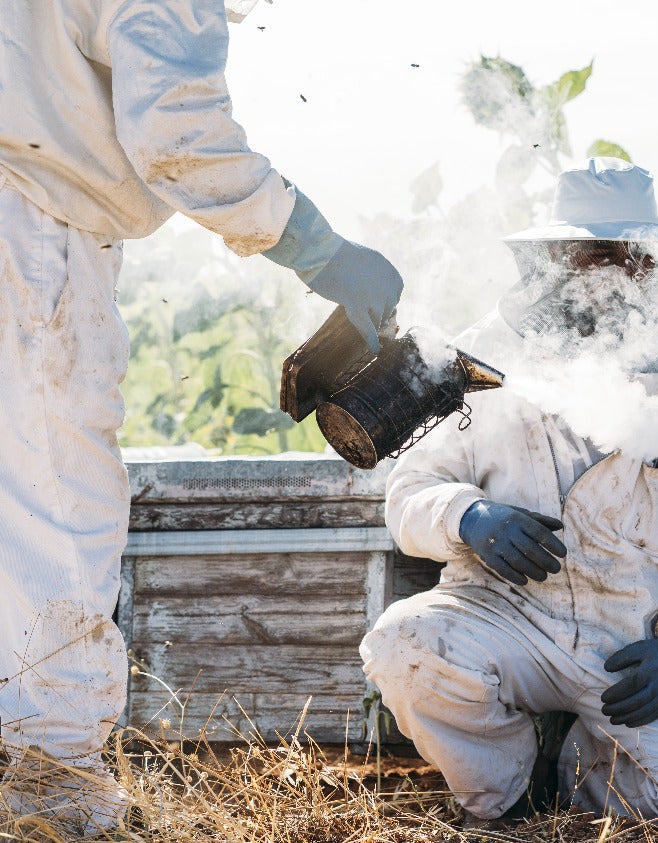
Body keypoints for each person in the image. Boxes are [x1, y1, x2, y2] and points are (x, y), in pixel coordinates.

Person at [0, 0, 403, 833]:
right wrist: (317, 247)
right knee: (61, 516)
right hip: (30, 232)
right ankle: (50, 793)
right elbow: (177, 138)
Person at [361, 157, 658, 829]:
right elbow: (409, 486)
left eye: (625, 256)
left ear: (657, 263)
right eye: (589, 254)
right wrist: (468, 516)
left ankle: (587, 763)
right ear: (551, 259)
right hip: (504, 619)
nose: (607, 272)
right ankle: (507, 792)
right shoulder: (480, 358)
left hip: (636, 640)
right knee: (403, 644)